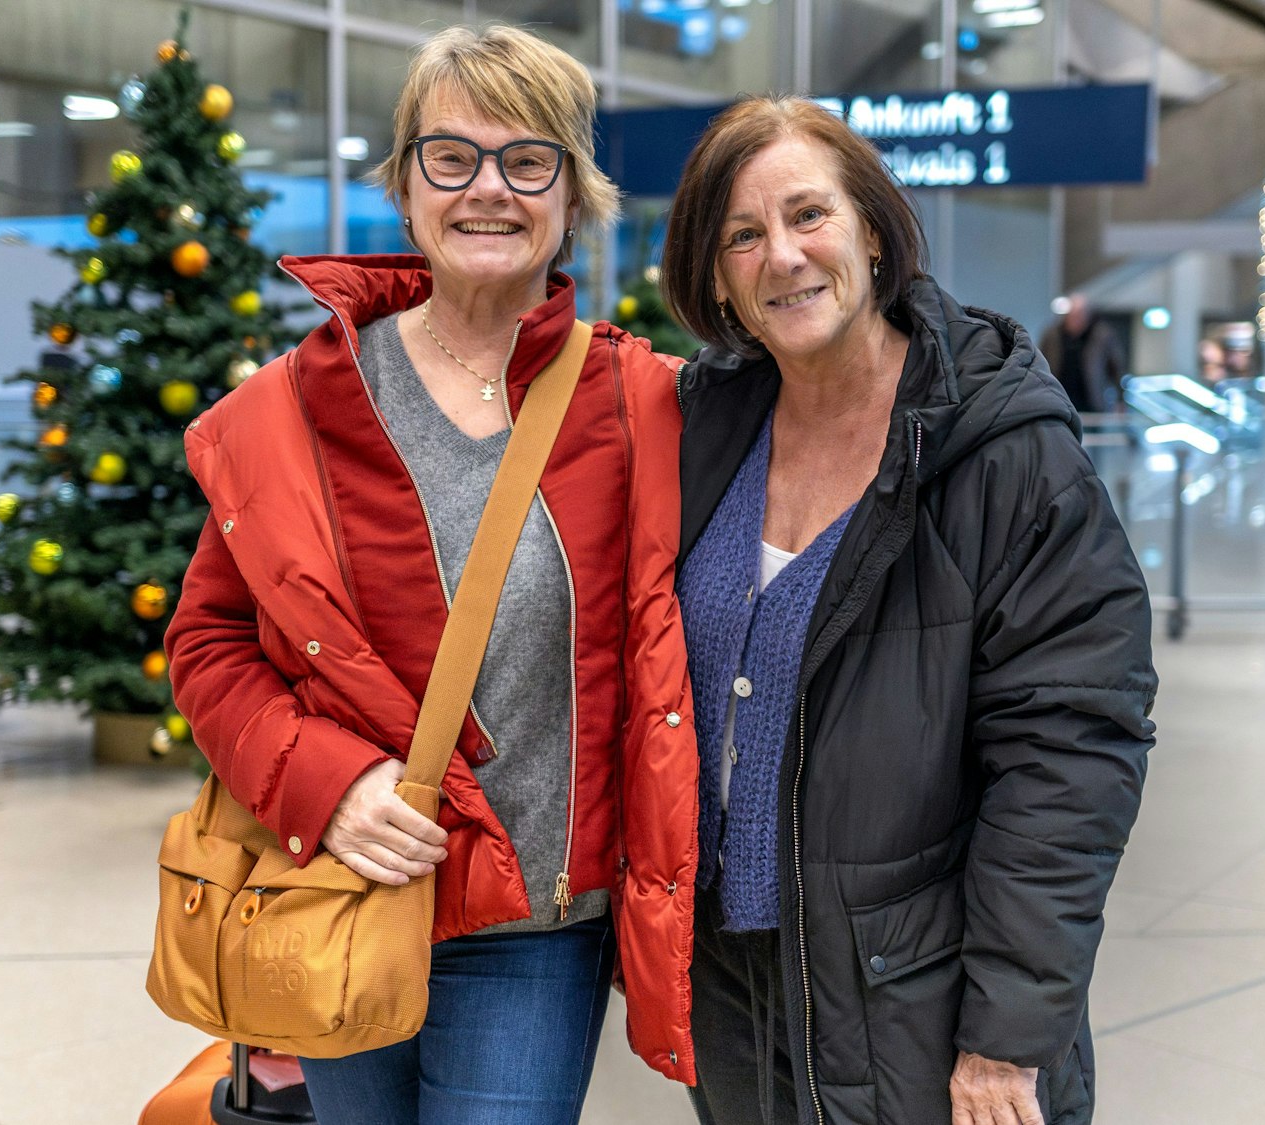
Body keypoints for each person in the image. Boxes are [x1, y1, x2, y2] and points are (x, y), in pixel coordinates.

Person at [164, 25, 699, 1125]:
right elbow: (207, 642)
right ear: (405, 186)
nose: (487, 190)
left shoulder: (639, 401)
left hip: (535, 929)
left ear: (571, 193)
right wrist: (328, 782)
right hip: (345, 892)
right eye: (450, 158)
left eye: (526, 159)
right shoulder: (296, 407)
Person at [660, 95, 1156, 1125]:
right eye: (742, 236)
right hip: (732, 987)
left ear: (873, 233)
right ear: (715, 277)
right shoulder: (699, 430)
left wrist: (1005, 1034)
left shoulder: (1001, 449)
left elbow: (1069, 752)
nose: (782, 256)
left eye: (808, 216)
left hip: (917, 997)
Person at [1038, 292, 1126, 414]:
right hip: (1058, 398)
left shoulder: (1102, 335)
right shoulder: (1052, 335)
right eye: (1073, 315)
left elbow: (1116, 368)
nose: (1077, 320)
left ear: (1087, 316)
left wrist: (1121, 399)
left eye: (1080, 315)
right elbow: (1039, 365)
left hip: (1091, 400)